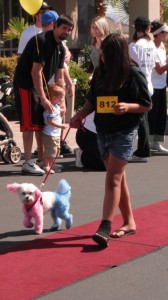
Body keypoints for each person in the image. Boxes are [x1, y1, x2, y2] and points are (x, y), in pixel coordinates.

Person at [70, 33, 152, 248]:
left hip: (124, 131)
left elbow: (146, 104)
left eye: (105, 54)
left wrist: (127, 107)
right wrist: (79, 115)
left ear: (116, 54)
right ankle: (129, 222)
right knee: (118, 178)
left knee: (113, 178)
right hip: (102, 131)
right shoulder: (100, 73)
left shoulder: (133, 74)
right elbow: (92, 101)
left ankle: (105, 225)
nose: (102, 57)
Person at [13, 15, 74, 175]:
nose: (66, 32)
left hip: (42, 86)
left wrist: (60, 101)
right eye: (64, 28)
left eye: (69, 30)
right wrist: (43, 97)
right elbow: (36, 72)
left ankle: (42, 159)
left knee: (41, 123)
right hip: (26, 84)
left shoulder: (61, 48)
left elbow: (59, 76)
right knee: (29, 124)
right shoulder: (41, 41)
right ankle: (27, 162)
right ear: (55, 26)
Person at [74, 16, 109, 170]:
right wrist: (92, 75)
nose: (94, 30)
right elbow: (97, 66)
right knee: (91, 110)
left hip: (106, 81)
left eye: (97, 27)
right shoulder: (94, 44)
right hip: (98, 80)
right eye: (93, 27)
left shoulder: (109, 44)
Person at [129, 16, 157, 162]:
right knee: (142, 119)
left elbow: (132, 65)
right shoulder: (151, 45)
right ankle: (142, 150)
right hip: (148, 83)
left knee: (139, 120)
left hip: (138, 85)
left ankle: (142, 151)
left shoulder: (134, 46)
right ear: (148, 29)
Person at [148, 20, 168, 153]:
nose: (167, 34)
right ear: (158, 34)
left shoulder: (162, 47)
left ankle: (157, 143)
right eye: (165, 32)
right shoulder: (151, 48)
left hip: (162, 86)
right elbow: (159, 69)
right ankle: (148, 142)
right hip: (153, 86)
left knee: (161, 116)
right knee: (152, 116)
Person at [42, 83, 67, 174]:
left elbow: (58, 111)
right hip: (50, 134)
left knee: (55, 151)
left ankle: (51, 165)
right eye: (62, 97)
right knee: (50, 151)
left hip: (55, 133)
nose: (63, 99)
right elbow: (50, 121)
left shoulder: (56, 107)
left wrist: (61, 110)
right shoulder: (51, 108)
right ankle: (46, 166)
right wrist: (61, 126)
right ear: (54, 97)